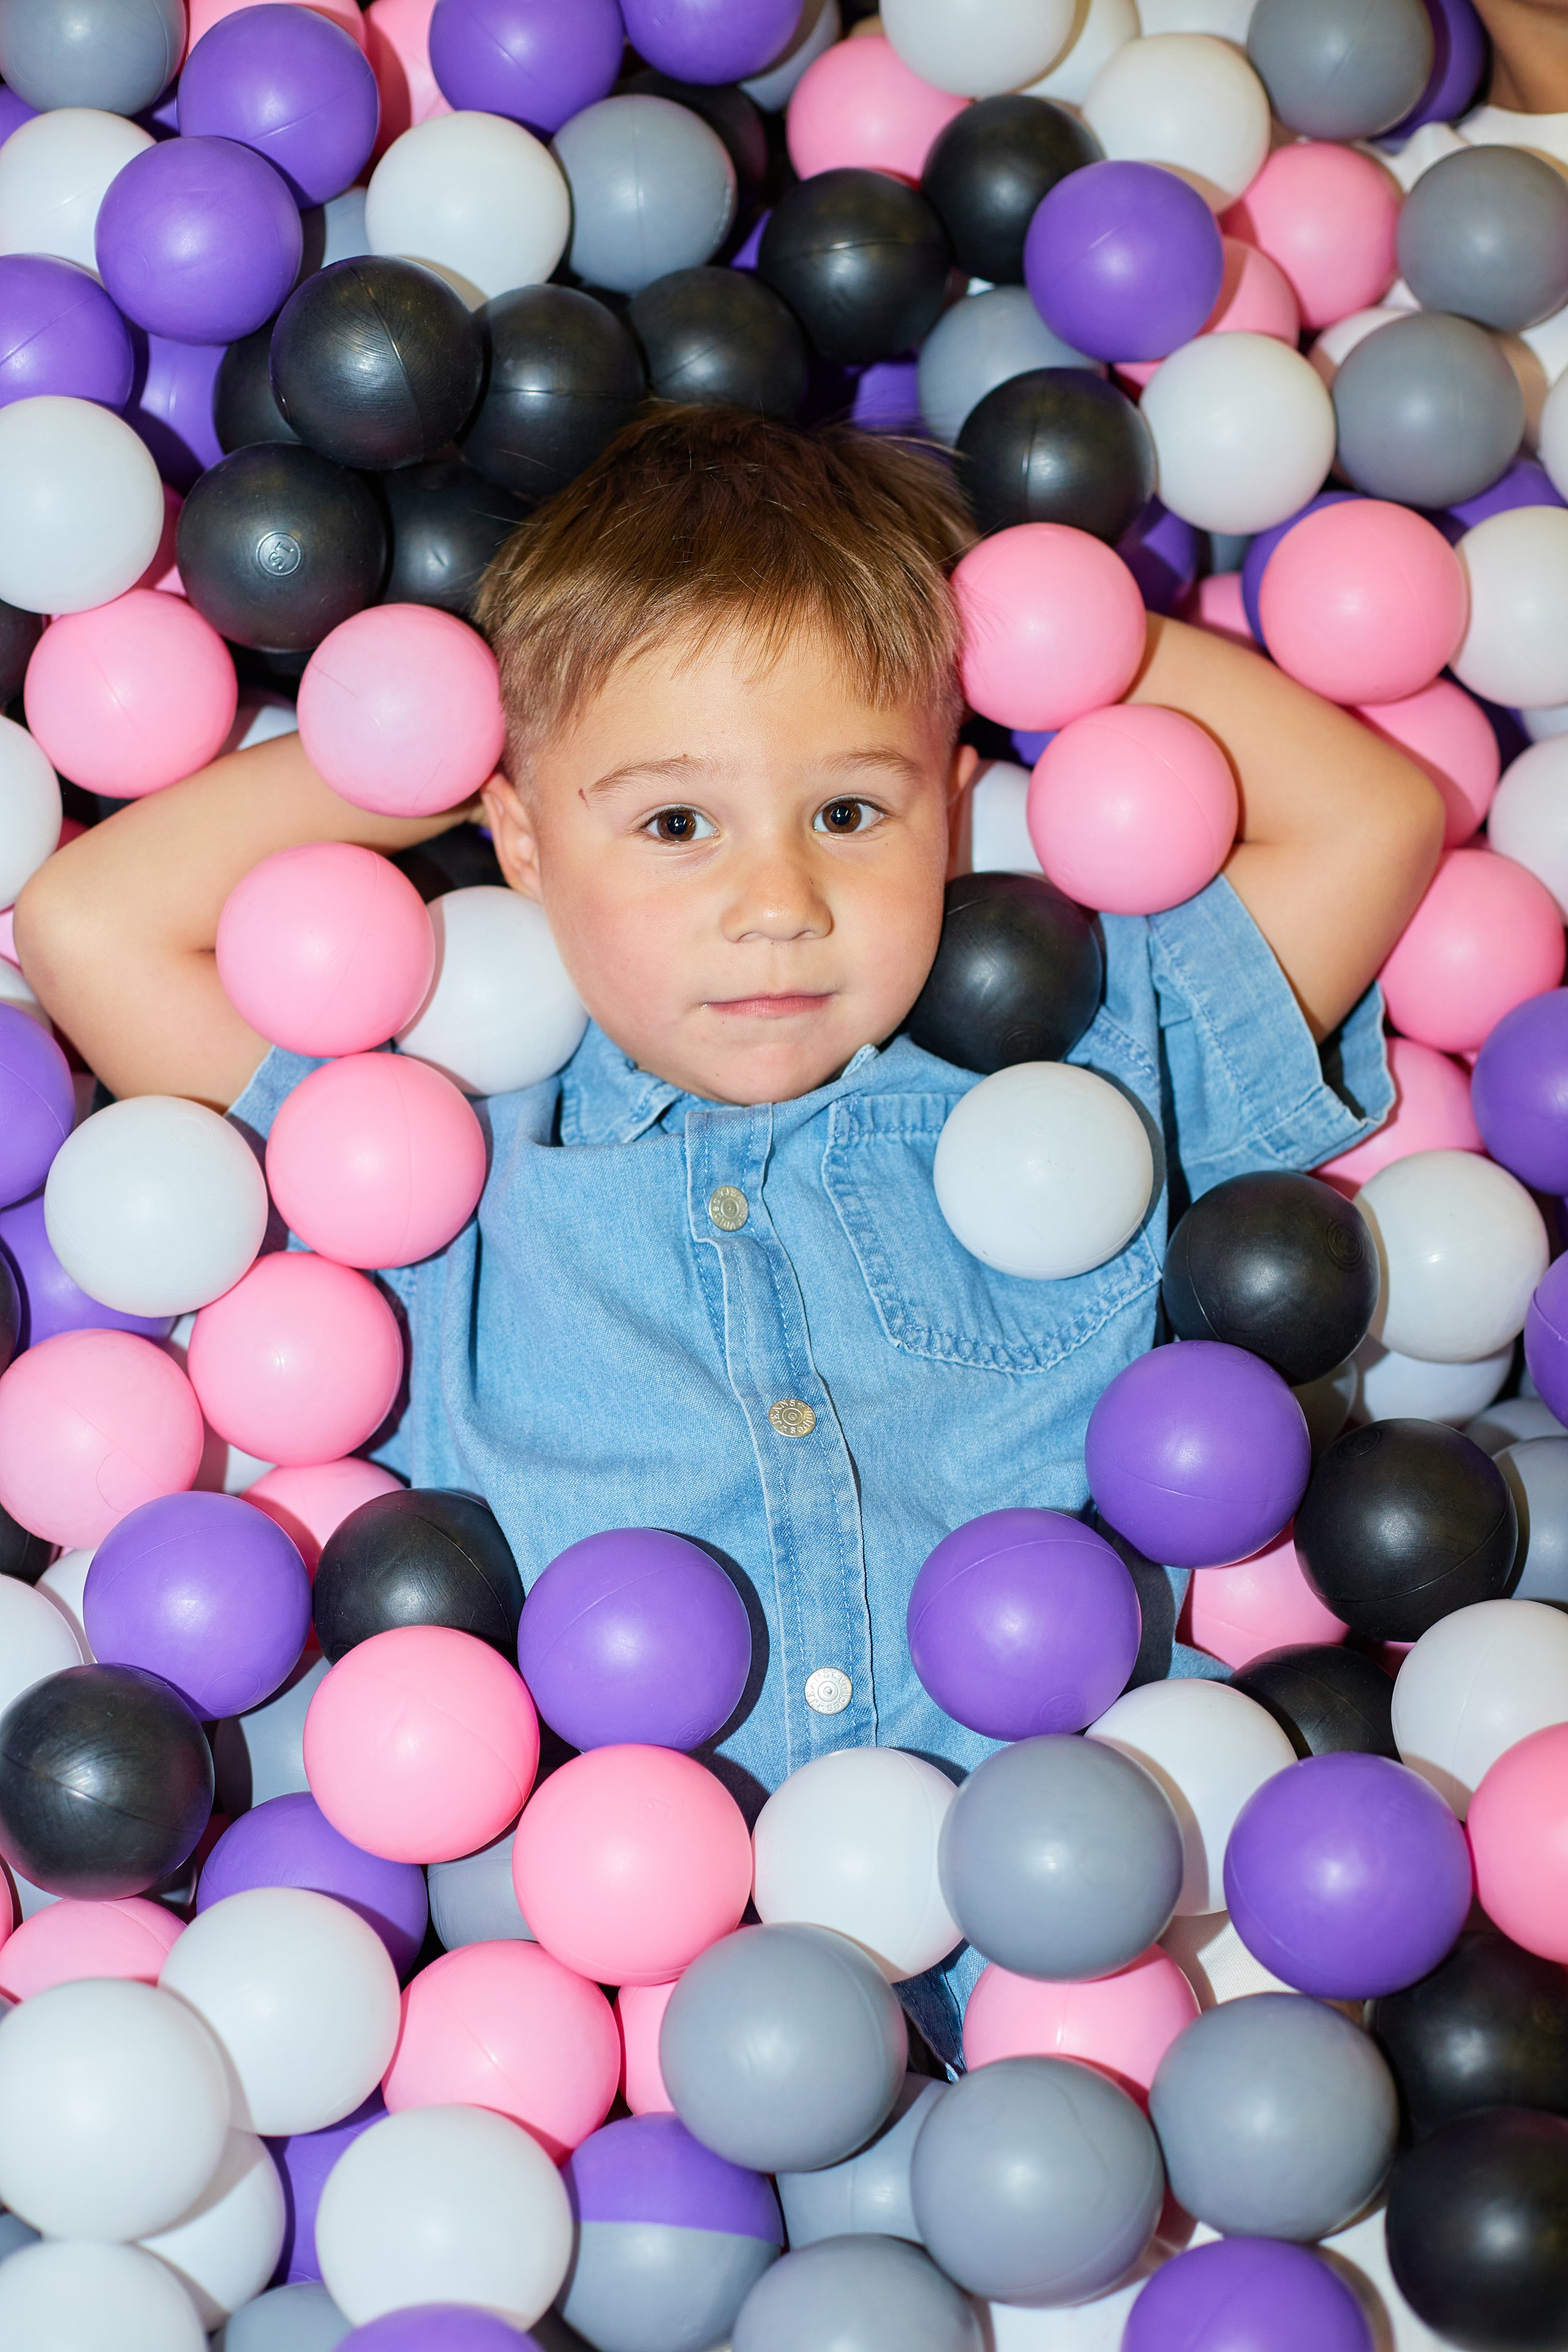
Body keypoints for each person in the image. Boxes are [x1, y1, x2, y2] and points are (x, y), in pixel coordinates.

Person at [16, 406, 1441, 2052]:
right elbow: (88, 922)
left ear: (957, 801)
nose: (779, 902)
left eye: (851, 811)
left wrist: (1017, 619)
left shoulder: (1088, 1084)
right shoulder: (434, 1168)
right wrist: (440, 723)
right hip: (617, 2027)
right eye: (675, 823)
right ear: (527, 839)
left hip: (1096, 1977)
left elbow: (1374, 824)